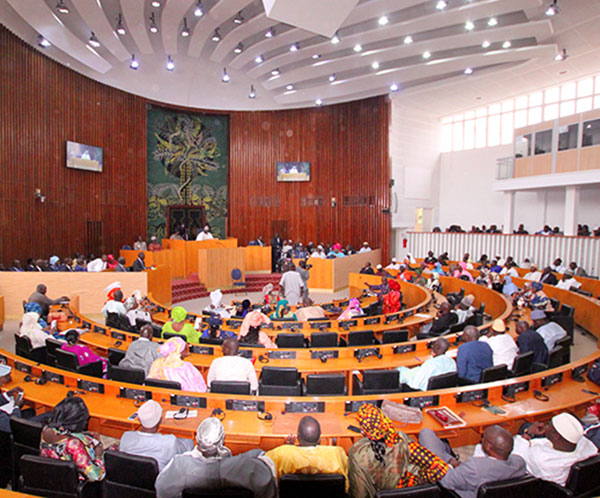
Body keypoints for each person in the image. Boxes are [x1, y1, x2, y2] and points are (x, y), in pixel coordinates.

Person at [155, 417, 276, 498]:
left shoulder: (178, 466)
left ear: (197, 439)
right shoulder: (251, 468)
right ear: (222, 440)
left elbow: (162, 490)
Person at [348, 404, 450, 498]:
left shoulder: (357, 453)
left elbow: (359, 491)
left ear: (363, 428)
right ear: (383, 421)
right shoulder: (400, 439)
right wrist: (417, 480)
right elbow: (441, 468)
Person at [419, 425, 526, 498]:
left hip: (458, 492)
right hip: (466, 477)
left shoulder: (475, 467)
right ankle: (449, 456)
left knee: (425, 434)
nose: (481, 439)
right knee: (441, 448)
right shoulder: (520, 463)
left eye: (483, 437)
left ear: (489, 447)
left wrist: (450, 466)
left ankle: (447, 455)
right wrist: (455, 463)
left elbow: (446, 481)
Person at [506, 413, 598, 486]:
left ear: (556, 436)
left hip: (543, 484)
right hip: (567, 481)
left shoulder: (540, 458)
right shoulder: (588, 447)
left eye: (548, 425)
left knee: (524, 427)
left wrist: (528, 434)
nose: (545, 426)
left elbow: (515, 457)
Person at [266, 416, 349, 490]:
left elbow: (265, 471)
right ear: (319, 438)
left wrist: (288, 447)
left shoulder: (282, 453)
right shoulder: (336, 454)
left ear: (298, 437)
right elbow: (346, 484)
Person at [40, 396, 106, 481]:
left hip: (49, 479)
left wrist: (85, 434)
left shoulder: (46, 430)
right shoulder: (73, 444)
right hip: (73, 485)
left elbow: (63, 433)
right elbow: (96, 476)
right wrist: (98, 455)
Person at [119, 400, 193, 471]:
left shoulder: (126, 437)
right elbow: (188, 446)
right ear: (160, 420)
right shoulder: (169, 442)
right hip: (159, 480)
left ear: (139, 420)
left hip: (131, 478)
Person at [0, 364, 26, 433]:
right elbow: (13, 424)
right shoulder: (2, 420)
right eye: (6, 376)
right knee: (47, 415)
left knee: (31, 411)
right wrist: (16, 407)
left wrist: (7, 394)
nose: (10, 378)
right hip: (12, 428)